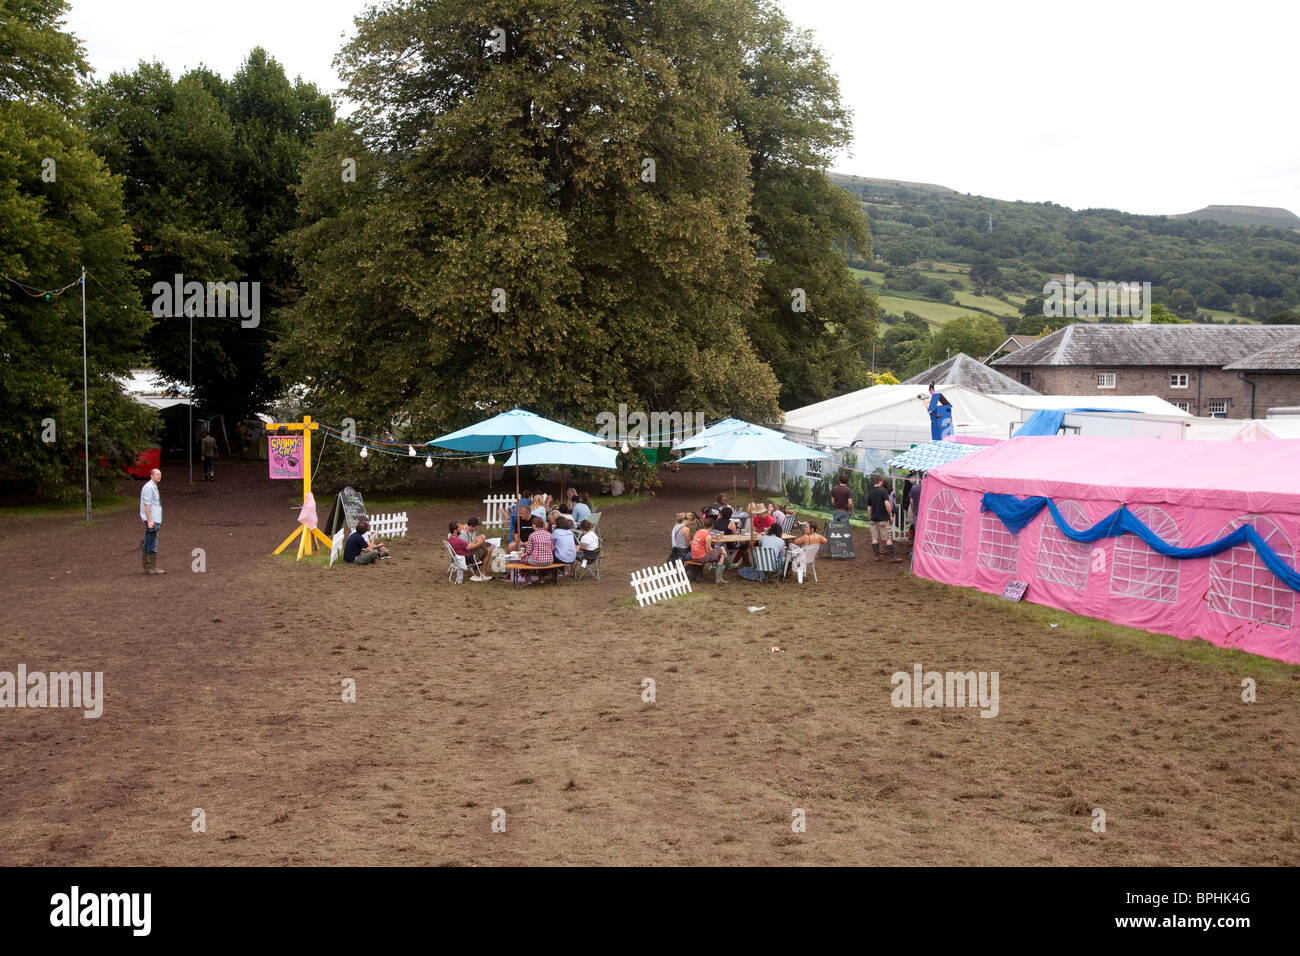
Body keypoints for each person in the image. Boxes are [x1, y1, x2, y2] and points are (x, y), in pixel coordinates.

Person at [866, 474, 899, 562]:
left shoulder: (870, 492)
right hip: (883, 519)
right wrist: (891, 515)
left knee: (874, 538)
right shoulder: (883, 491)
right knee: (888, 538)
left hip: (873, 519)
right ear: (880, 482)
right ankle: (892, 558)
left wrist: (869, 518)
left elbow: (869, 508)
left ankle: (877, 557)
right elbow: (887, 504)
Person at [139, 467, 164, 574]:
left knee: (151, 540)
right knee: (151, 542)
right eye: (157, 474)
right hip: (152, 519)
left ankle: (150, 566)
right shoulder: (149, 487)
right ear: (151, 475)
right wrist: (150, 520)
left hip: (155, 519)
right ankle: (150, 566)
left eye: (160, 474)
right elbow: (147, 505)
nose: (159, 476)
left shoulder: (153, 487)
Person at [523, 515, 554, 584]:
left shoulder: (532, 535)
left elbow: (528, 551)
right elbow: (552, 548)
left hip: (536, 561)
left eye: (532, 524)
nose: (532, 526)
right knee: (539, 558)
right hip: (549, 561)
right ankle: (541, 578)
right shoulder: (549, 534)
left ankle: (528, 579)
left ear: (535, 525)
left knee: (525, 559)